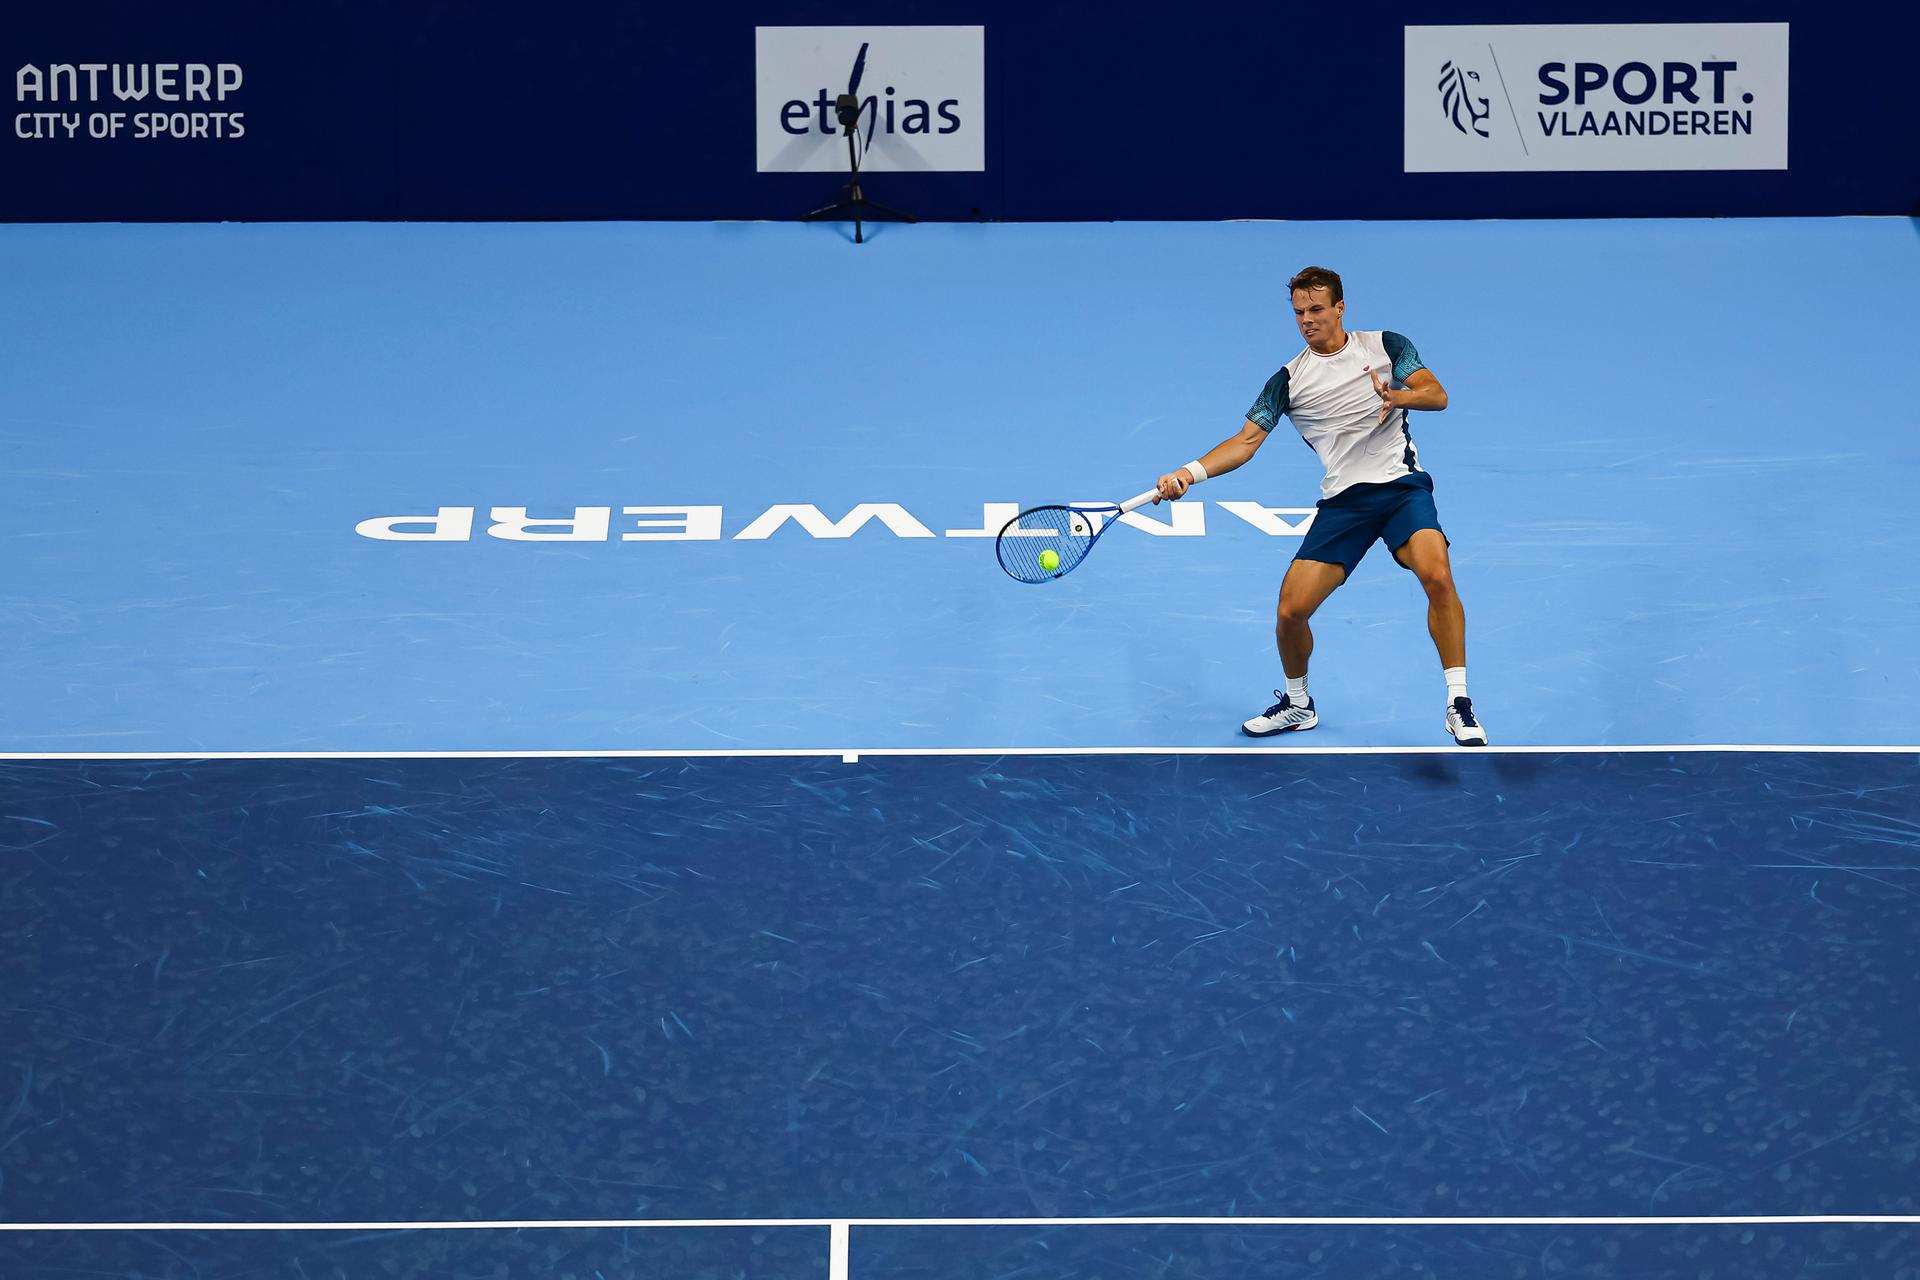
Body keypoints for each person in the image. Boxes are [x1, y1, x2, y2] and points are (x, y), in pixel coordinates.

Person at [1153, 265, 1486, 746]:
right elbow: (1246, 441)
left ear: (1339, 307)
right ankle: (1297, 704)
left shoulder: (1386, 347)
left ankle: (1459, 704)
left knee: (1437, 573)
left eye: (1315, 309)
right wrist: (1189, 472)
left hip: (1401, 490)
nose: (1307, 320)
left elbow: (1437, 395)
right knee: (1291, 610)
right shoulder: (1289, 380)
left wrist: (1396, 395)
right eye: (1298, 313)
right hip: (1344, 505)